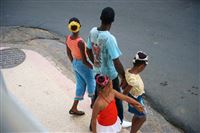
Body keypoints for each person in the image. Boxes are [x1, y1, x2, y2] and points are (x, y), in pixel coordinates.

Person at [87, 7, 131, 128]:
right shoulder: (110, 39)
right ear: (112, 21)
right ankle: (120, 122)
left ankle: (93, 124)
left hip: (97, 74)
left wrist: (95, 63)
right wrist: (124, 77)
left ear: (100, 18)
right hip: (110, 76)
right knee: (116, 99)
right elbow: (116, 61)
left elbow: (88, 50)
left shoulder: (92, 32)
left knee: (98, 97)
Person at [66, 17, 95, 115]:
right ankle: (93, 103)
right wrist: (93, 67)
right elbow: (84, 59)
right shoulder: (80, 42)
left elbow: (68, 53)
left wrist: (74, 63)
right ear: (80, 26)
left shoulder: (68, 38)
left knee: (80, 85)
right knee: (91, 81)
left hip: (75, 63)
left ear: (70, 28)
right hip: (83, 65)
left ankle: (74, 107)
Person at [122, 51, 148, 133]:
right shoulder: (133, 80)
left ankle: (133, 130)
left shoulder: (128, 70)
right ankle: (133, 132)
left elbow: (125, 84)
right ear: (141, 66)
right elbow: (125, 93)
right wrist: (134, 104)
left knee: (137, 115)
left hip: (136, 97)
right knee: (143, 117)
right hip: (135, 100)